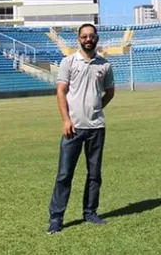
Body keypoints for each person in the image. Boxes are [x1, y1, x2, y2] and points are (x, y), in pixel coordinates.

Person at [47, 23, 115, 234]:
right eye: (84, 36)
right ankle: (56, 218)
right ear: (78, 39)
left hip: (96, 128)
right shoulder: (69, 62)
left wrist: (95, 109)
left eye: (91, 36)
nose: (88, 39)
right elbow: (60, 92)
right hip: (73, 128)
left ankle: (90, 212)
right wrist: (66, 120)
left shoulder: (105, 65)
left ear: (96, 38)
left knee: (94, 174)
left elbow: (110, 93)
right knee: (64, 174)